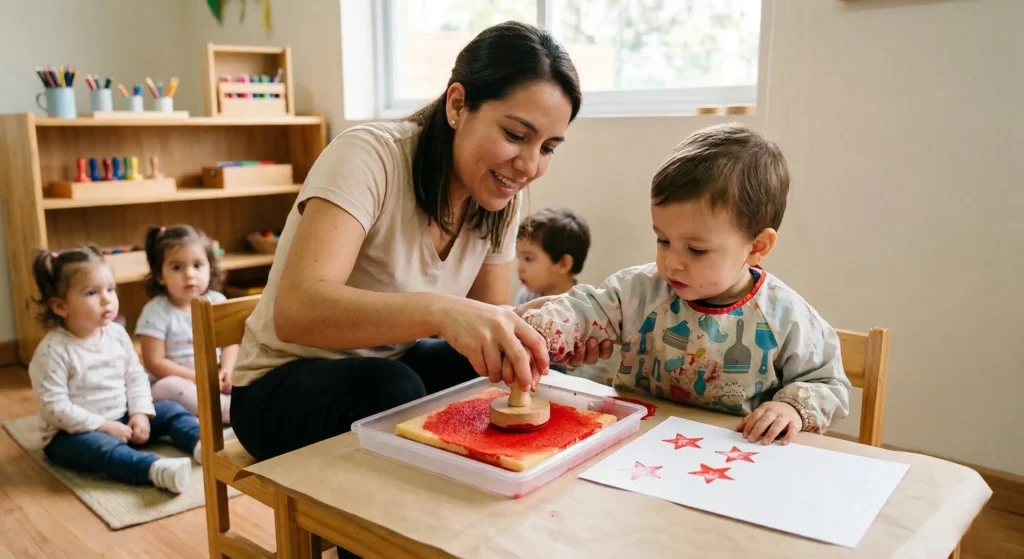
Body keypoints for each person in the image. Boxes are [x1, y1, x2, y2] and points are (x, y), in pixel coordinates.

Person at [230, 21, 614, 462]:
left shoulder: (500, 194)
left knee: (527, 361)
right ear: (457, 105)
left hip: (389, 364)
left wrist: (540, 328)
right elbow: (297, 312)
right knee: (392, 390)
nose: (529, 166)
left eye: (548, 148)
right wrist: (441, 311)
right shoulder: (368, 156)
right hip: (278, 384)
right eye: (515, 135)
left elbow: (488, 319)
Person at [520, 123, 852, 445]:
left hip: (733, 454)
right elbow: (585, 309)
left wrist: (791, 408)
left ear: (757, 246)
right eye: (663, 240)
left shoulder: (785, 317)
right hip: (638, 446)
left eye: (696, 250)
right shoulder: (640, 291)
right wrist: (544, 332)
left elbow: (828, 383)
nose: (672, 262)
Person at [28, 247, 200, 494]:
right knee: (101, 449)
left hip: (124, 417)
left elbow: (135, 377)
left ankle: (201, 443)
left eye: (110, 289)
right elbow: (55, 408)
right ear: (61, 307)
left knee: (171, 410)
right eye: (92, 292)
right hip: (73, 433)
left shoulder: (117, 334)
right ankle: (153, 469)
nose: (107, 299)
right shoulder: (53, 352)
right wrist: (104, 426)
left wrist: (140, 412)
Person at [136, 225, 236, 424]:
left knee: (249, 370)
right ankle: (227, 412)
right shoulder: (155, 311)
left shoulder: (217, 301)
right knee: (171, 386)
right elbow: (154, 362)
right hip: (175, 382)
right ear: (160, 276)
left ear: (210, 268)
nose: (190, 274)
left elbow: (230, 344)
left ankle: (231, 407)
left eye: (197, 265)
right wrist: (196, 377)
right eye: (177, 267)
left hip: (214, 376)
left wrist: (227, 369)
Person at [514, 206, 591, 306]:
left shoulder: (582, 306)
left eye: (528, 259)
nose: (519, 268)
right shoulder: (525, 296)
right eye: (519, 258)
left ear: (563, 264)